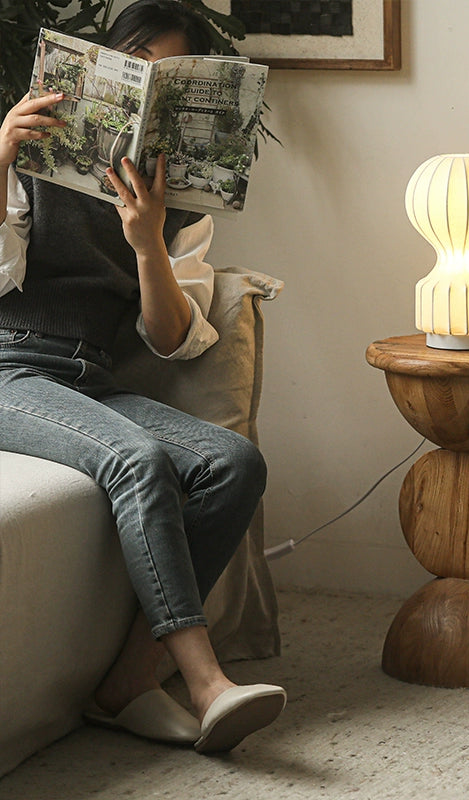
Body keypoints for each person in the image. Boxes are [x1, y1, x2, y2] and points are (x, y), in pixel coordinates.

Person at [0, 0, 285, 754]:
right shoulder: (32, 160)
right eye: (140, 67)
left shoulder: (180, 206)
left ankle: (127, 681)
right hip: (6, 366)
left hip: (83, 378)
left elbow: (171, 340)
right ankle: (205, 681)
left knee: (233, 465)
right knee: (137, 458)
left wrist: (147, 243)